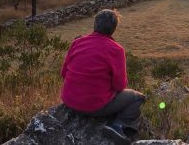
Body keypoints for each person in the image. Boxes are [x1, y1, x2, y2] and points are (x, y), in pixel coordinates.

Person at [60, 9, 145, 145]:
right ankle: (118, 127)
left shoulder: (77, 42)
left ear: (95, 24)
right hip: (94, 107)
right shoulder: (116, 49)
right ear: (113, 29)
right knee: (138, 97)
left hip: (68, 101)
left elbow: (63, 73)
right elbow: (119, 86)